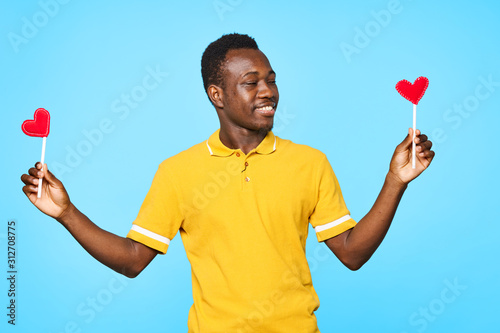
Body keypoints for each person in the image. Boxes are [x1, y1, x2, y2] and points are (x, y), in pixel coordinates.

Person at [21, 33, 435, 332]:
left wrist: (395, 181)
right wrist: (66, 213)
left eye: (271, 79)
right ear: (217, 95)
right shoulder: (178, 172)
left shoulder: (310, 163)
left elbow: (351, 254)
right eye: (250, 82)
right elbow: (132, 260)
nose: (267, 91)